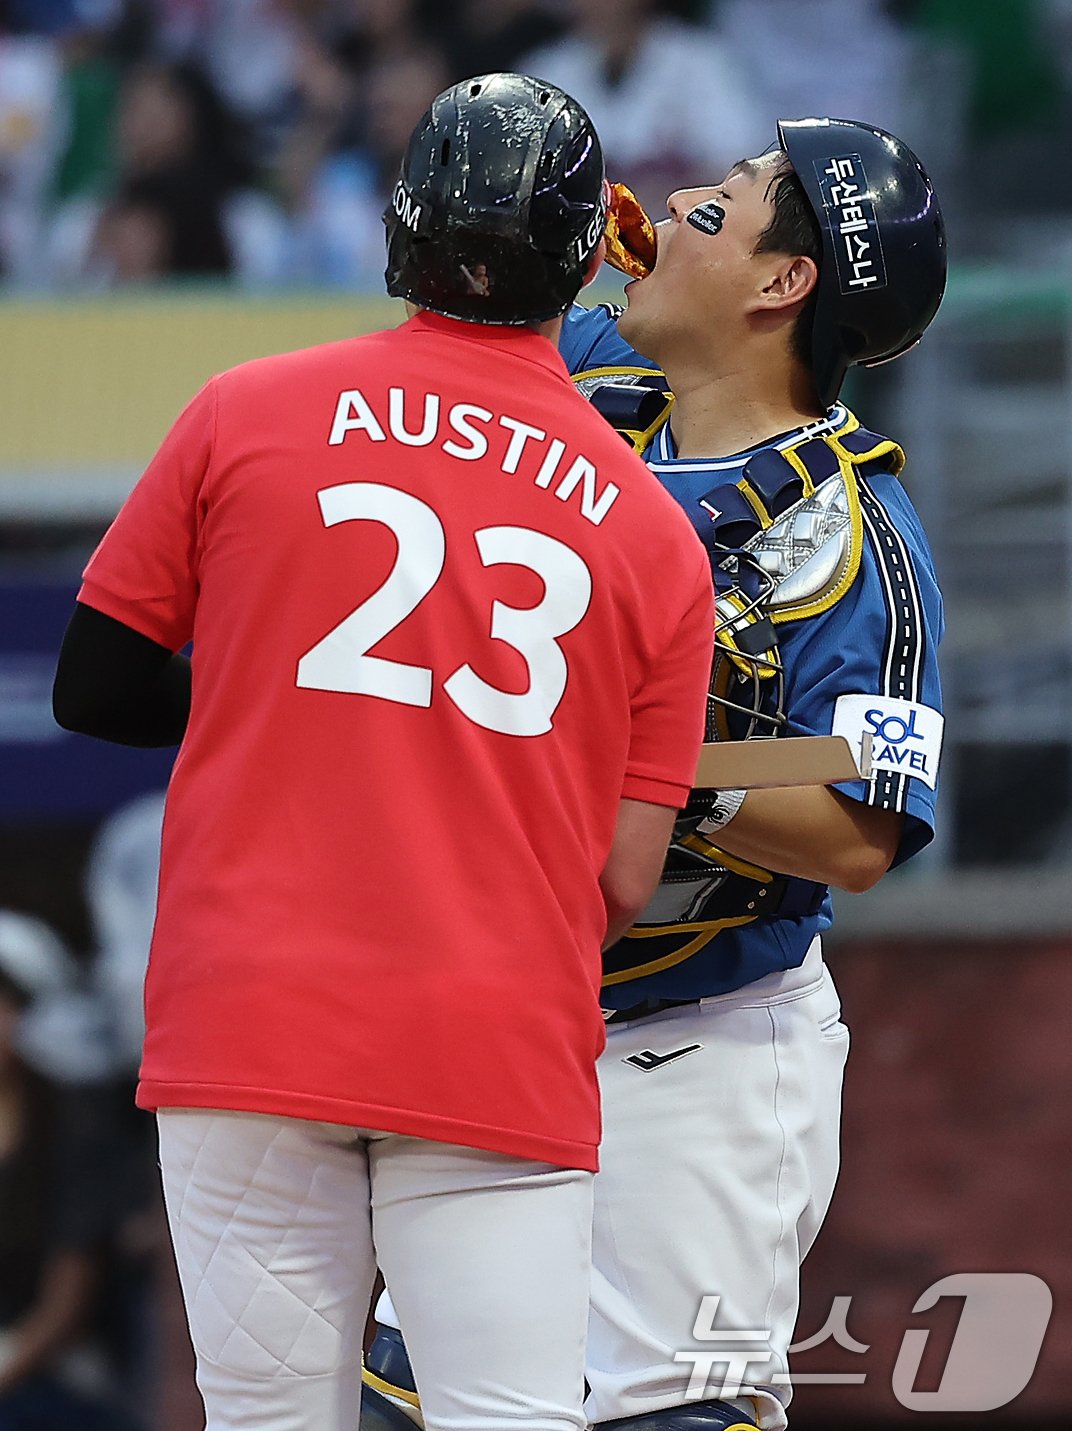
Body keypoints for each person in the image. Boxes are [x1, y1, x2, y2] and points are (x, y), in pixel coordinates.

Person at [51, 72, 716, 1431]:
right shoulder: (655, 536)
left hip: (250, 1013)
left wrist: (273, 715)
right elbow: (627, 878)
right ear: (586, 254)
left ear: (402, 229)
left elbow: (93, 686)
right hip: (492, 1029)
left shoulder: (246, 408)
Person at [364, 117, 947, 1431]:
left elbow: (862, 817)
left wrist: (662, 756)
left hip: (701, 1045)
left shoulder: (845, 526)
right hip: (507, 1017)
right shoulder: (591, 404)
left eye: (722, 203)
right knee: (416, 1405)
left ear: (782, 282)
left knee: (668, 1419)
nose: (676, 198)